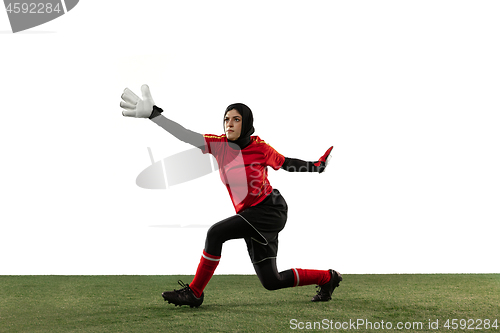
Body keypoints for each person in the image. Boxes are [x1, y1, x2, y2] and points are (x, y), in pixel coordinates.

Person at [120, 85, 342, 308]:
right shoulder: (219, 146)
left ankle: (195, 293)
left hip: (270, 210)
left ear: (246, 123)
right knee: (271, 281)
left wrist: (318, 166)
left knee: (216, 234)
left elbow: (287, 163)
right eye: (226, 119)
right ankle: (328, 278)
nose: (229, 123)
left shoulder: (260, 148)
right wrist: (153, 115)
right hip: (250, 215)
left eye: (236, 119)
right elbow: (185, 135)